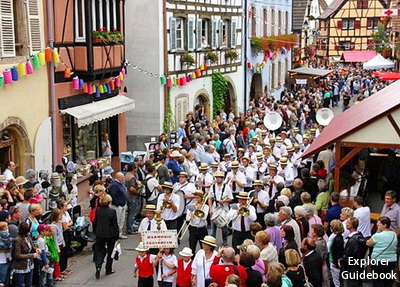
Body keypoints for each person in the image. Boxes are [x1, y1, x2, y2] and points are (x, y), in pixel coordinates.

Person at [366, 216, 398, 287]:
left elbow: (368, 243)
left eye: (379, 223)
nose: (377, 224)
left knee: (378, 281)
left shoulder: (377, 236)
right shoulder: (394, 234)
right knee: (388, 280)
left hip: (379, 261)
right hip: (391, 261)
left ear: (385, 225)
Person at [93, 194, 119, 279]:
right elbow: (115, 224)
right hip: (110, 234)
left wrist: (95, 232)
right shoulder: (112, 211)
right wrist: (117, 235)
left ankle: (98, 265)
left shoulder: (98, 210)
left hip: (100, 234)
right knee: (110, 252)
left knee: (100, 250)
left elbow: (95, 222)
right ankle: (108, 269)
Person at [340, 217, 368, 287]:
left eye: (347, 222)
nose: (345, 223)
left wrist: (343, 260)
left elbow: (349, 253)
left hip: (352, 267)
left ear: (351, 225)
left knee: (352, 283)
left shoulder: (353, 239)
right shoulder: (360, 236)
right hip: (358, 265)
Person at [12, 222, 41, 287]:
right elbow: (17, 255)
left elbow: (30, 248)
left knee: (29, 283)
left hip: (30, 264)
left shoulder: (28, 237)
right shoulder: (18, 240)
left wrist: (36, 249)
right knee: (19, 284)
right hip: (20, 266)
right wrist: (32, 255)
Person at [208, 171, 233, 246]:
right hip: (215, 209)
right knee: (213, 228)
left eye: (219, 178)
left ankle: (225, 240)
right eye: (217, 177)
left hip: (224, 209)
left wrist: (224, 201)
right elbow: (210, 198)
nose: (218, 179)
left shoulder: (227, 187)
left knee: (224, 228)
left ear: (222, 178)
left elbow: (231, 199)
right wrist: (210, 208)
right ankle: (212, 242)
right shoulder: (212, 187)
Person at [108, 172, 128, 239]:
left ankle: (120, 233)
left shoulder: (121, 184)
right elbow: (113, 195)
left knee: (122, 220)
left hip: (122, 205)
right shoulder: (115, 185)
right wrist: (117, 203)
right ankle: (116, 234)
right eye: (122, 177)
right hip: (118, 206)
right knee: (118, 220)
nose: (123, 178)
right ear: (117, 177)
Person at [327, 219, 344, 287]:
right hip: (333, 261)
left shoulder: (337, 239)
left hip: (335, 263)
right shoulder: (335, 236)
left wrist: (335, 263)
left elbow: (338, 252)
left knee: (337, 282)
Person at [125, 163, 141, 234]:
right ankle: (130, 229)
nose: (137, 169)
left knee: (131, 213)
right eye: (136, 168)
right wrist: (137, 192)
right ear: (133, 168)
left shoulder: (127, 175)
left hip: (129, 196)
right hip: (132, 197)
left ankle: (131, 226)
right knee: (132, 213)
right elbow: (131, 188)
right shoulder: (131, 177)